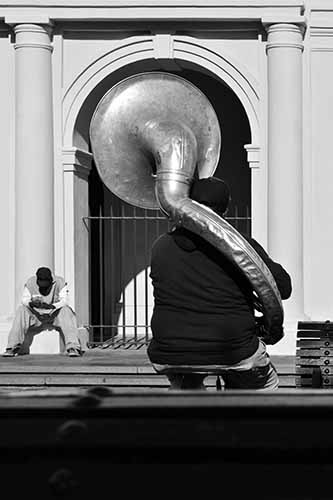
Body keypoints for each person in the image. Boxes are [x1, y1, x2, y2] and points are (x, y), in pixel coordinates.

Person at [147, 177, 292, 391]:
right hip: (234, 348)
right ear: (225, 209)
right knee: (264, 388)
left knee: (184, 389)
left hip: (170, 351)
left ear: (190, 204)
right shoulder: (240, 245)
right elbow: (283, 287)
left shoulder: (161, 245)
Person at [3, 267, 82, 357]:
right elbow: (24, 300)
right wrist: (31, 304)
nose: (43, 285)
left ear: (50, 280)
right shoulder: (30, 282)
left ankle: (73, 347)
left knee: (67, 310)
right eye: (41, 282)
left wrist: (52, 306)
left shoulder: (60, 282)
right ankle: (12, 347)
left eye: (45, 282)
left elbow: (65, 300)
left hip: (54, 316)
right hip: (36, 316)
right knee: (21, 310)